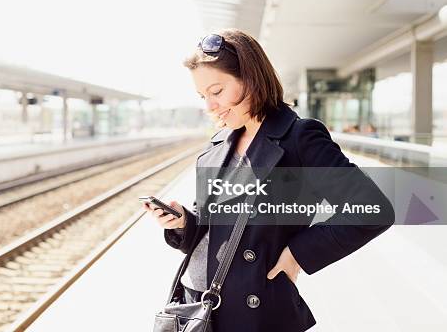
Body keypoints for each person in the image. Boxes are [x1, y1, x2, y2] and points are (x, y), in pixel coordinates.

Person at [143, 29, 395, 331]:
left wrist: (296, 254)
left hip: (253, 314)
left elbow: (372, 209)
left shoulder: (299, 138)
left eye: (217, 91)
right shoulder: (217, 145)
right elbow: (212, 228)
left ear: (250, 78)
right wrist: (184, 221)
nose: (210, 106)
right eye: (203, 96)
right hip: (194, 309)